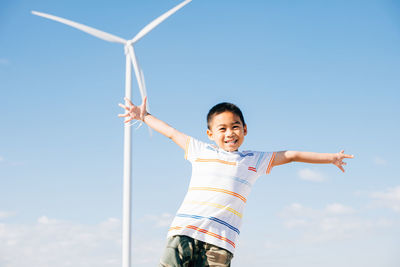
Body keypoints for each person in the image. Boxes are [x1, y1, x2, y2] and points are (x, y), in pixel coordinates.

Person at [118, 97, 354, 267]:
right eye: (222, 128)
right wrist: (144, 116)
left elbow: (291, 155)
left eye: (235, 127)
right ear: (210, 134)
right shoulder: (199, 150)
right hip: (185, 232)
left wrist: (331, 158)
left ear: (245, 129)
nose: (229, 132)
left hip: (221, 241)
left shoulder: (254, 160)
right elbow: (170, 132)